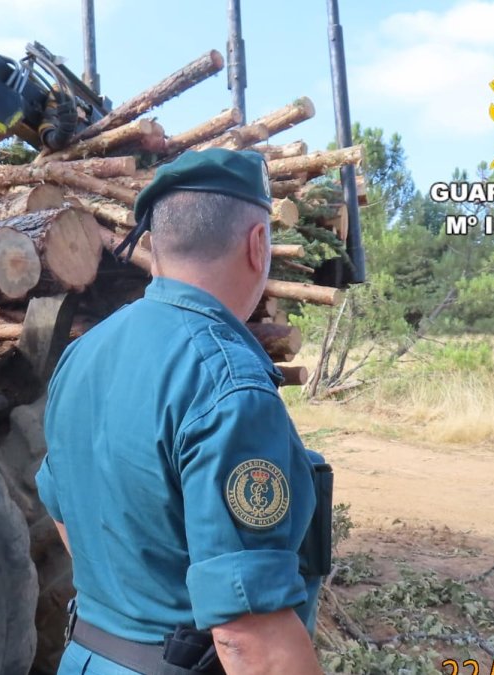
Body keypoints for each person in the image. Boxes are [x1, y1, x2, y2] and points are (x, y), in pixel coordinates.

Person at [35, 148, 331, 674]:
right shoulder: (229, 383)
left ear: (152, 246)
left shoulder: (83, 352)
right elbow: (247, 637)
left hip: (84, 659)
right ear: (259, 244)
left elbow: (63, 511)